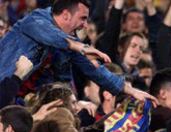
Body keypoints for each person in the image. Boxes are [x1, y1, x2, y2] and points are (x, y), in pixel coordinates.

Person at [0, 0, 157, 105]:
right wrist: (82, 47)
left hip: (24, 103)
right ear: (66, 15)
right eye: (82, 18)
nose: (84, 25)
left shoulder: (70, 43)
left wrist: (131, 90)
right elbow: (51, 36)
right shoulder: (35, 20)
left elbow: (94, 70)